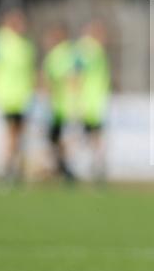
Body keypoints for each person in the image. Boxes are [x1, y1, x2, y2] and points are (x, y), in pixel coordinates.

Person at [0, 9, 36, 182]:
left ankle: (11, 168)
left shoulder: (27, 45)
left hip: (21, 99)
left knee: (17, 136)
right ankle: (4, 169)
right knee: (7, 135)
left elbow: (30, 72)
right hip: (2, 97)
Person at [41, 23, 78, 182]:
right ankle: (62, 168)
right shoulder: (70, 54)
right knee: (56, 138)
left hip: (61, 106)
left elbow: (47, 81)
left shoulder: (58, 55)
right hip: (63, 105)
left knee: (59, 138)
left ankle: (63, 168)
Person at [76, 19, 110, 184]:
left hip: (93, 102)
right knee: (88, 136)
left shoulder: (95, 50)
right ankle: (86, 167)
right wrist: (76, 99)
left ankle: (95, 167)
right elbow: (76, 75)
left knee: (93, 136)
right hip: (88, 103)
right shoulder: (88, 50)